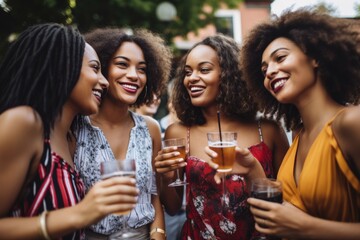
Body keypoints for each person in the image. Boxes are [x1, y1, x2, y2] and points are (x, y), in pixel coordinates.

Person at [0, 23, 139, 239]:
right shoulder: (24, 122)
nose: (104, 82)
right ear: (62, 67)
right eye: (95, 68)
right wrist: (78, 214)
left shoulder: (70, 137)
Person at [237, 9, 360, 239]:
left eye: (280, 58)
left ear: (315, 57)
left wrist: (305, 228)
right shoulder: (298, 135)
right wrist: (253, 170)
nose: (270, 72)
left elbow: (301, 222)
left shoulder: (351, 123)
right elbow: (297, 208)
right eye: (263, 71)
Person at [154, 34, 289, 239]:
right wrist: (166, 177)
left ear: (229, 75)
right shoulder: (179, 132)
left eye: (204, 69)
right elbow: (172, 208)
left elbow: (288, 198)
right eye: (188, 72)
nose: (191, 78)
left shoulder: (268, 130)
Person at [73, 27, 172, 239]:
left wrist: (159, 234)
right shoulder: (75, 126)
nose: (134, 75)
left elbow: (153, 196)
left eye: (142, 69)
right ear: (101, 68)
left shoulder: (151, 128)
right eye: (122, 64)